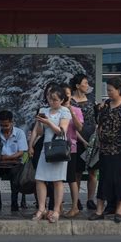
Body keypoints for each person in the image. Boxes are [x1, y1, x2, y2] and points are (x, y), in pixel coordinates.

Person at [88, 77, 121, 224]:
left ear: (119, 90)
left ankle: (119, 209)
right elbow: (100, 122)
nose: (109, 93)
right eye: (108, 90)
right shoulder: (106, 105)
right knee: (104, 178)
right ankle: (99, 210)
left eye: (111, 90)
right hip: (105, 149)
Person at [28, 84, 71, 223]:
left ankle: (57, 210)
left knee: (57, 181)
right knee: (40, 178)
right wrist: (31, 145)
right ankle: (42, 208)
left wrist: (48, 122)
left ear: (62, 100)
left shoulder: (65, 111)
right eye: (50, 99)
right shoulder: (43, 110)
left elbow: (61, 131)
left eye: (55, 99)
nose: (52, 102)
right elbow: (39, 131)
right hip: (45, 148)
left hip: (58, 148)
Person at [70, 74, 97, 211]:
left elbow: (96, 119)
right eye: (85, 83)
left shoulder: (91, 99)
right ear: (77, 85)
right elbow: (72, 125)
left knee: (93, 171)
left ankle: (90, 199)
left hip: (92, 136)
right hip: (78, 137)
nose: (87, 85)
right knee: (77, 172)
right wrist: (82, 139)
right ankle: (76, 199)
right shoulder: (71, 102)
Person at [0, 110, 28, 212]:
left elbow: (21, 152)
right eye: (2, 125)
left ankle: (14, 204)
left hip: (14, 162)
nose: (4, 128)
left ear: (12, 122)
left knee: (15, 178)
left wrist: (6, 158)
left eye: (6, 125)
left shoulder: (19, 133)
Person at [61, 83, 84, 218]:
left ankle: (75, 206)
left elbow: (79, 128)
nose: (66, 98)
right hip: (56, 147)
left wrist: (71, 111)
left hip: (71, 148)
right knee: (58, 179)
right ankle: (58, 205)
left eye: (68, 95)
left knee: (71, 178)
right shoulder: (55, 109)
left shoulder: (76, 110)